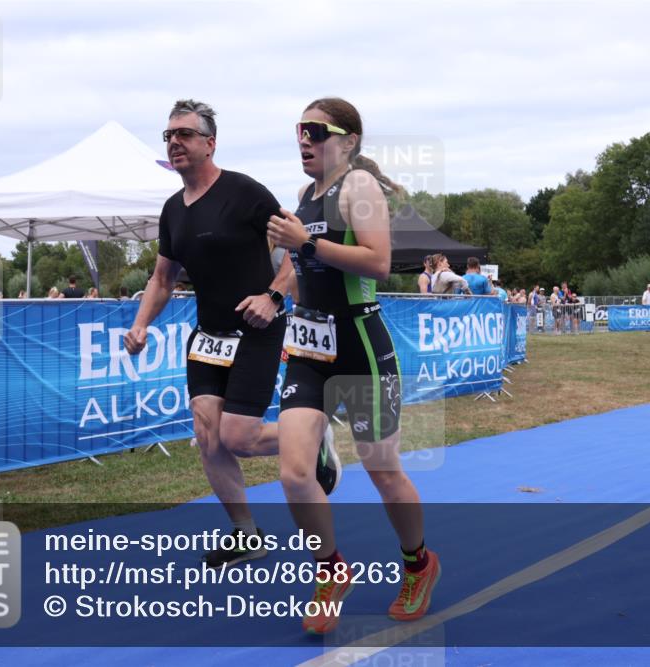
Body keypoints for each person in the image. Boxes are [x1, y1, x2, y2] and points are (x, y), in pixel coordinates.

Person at [123, 99, 341, 569]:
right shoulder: (172, 211)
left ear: (209, 142)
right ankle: (246, 533)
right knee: (208, 436)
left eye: (184, 134)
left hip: (257, 328)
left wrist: (274, 297)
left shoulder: (243, 192)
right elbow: (162, 278)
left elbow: (301, 247)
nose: (175, 142)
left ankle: (315, 432)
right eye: (169, 136)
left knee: (238, 436)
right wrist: (140, 324)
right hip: (208, 335)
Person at [267, 97, 440, 635]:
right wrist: (276, 297)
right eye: (299, 129)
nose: (304, 138)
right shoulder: (304, 195)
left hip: (361, 345)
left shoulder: (358, 187)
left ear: (348, 140)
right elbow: (302, 268)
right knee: (295, 473)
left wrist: (307, 240)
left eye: (315, 130)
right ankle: (330, 571)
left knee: (383, 469)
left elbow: (379, 262)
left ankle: (418, 563)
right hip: (309, 350)